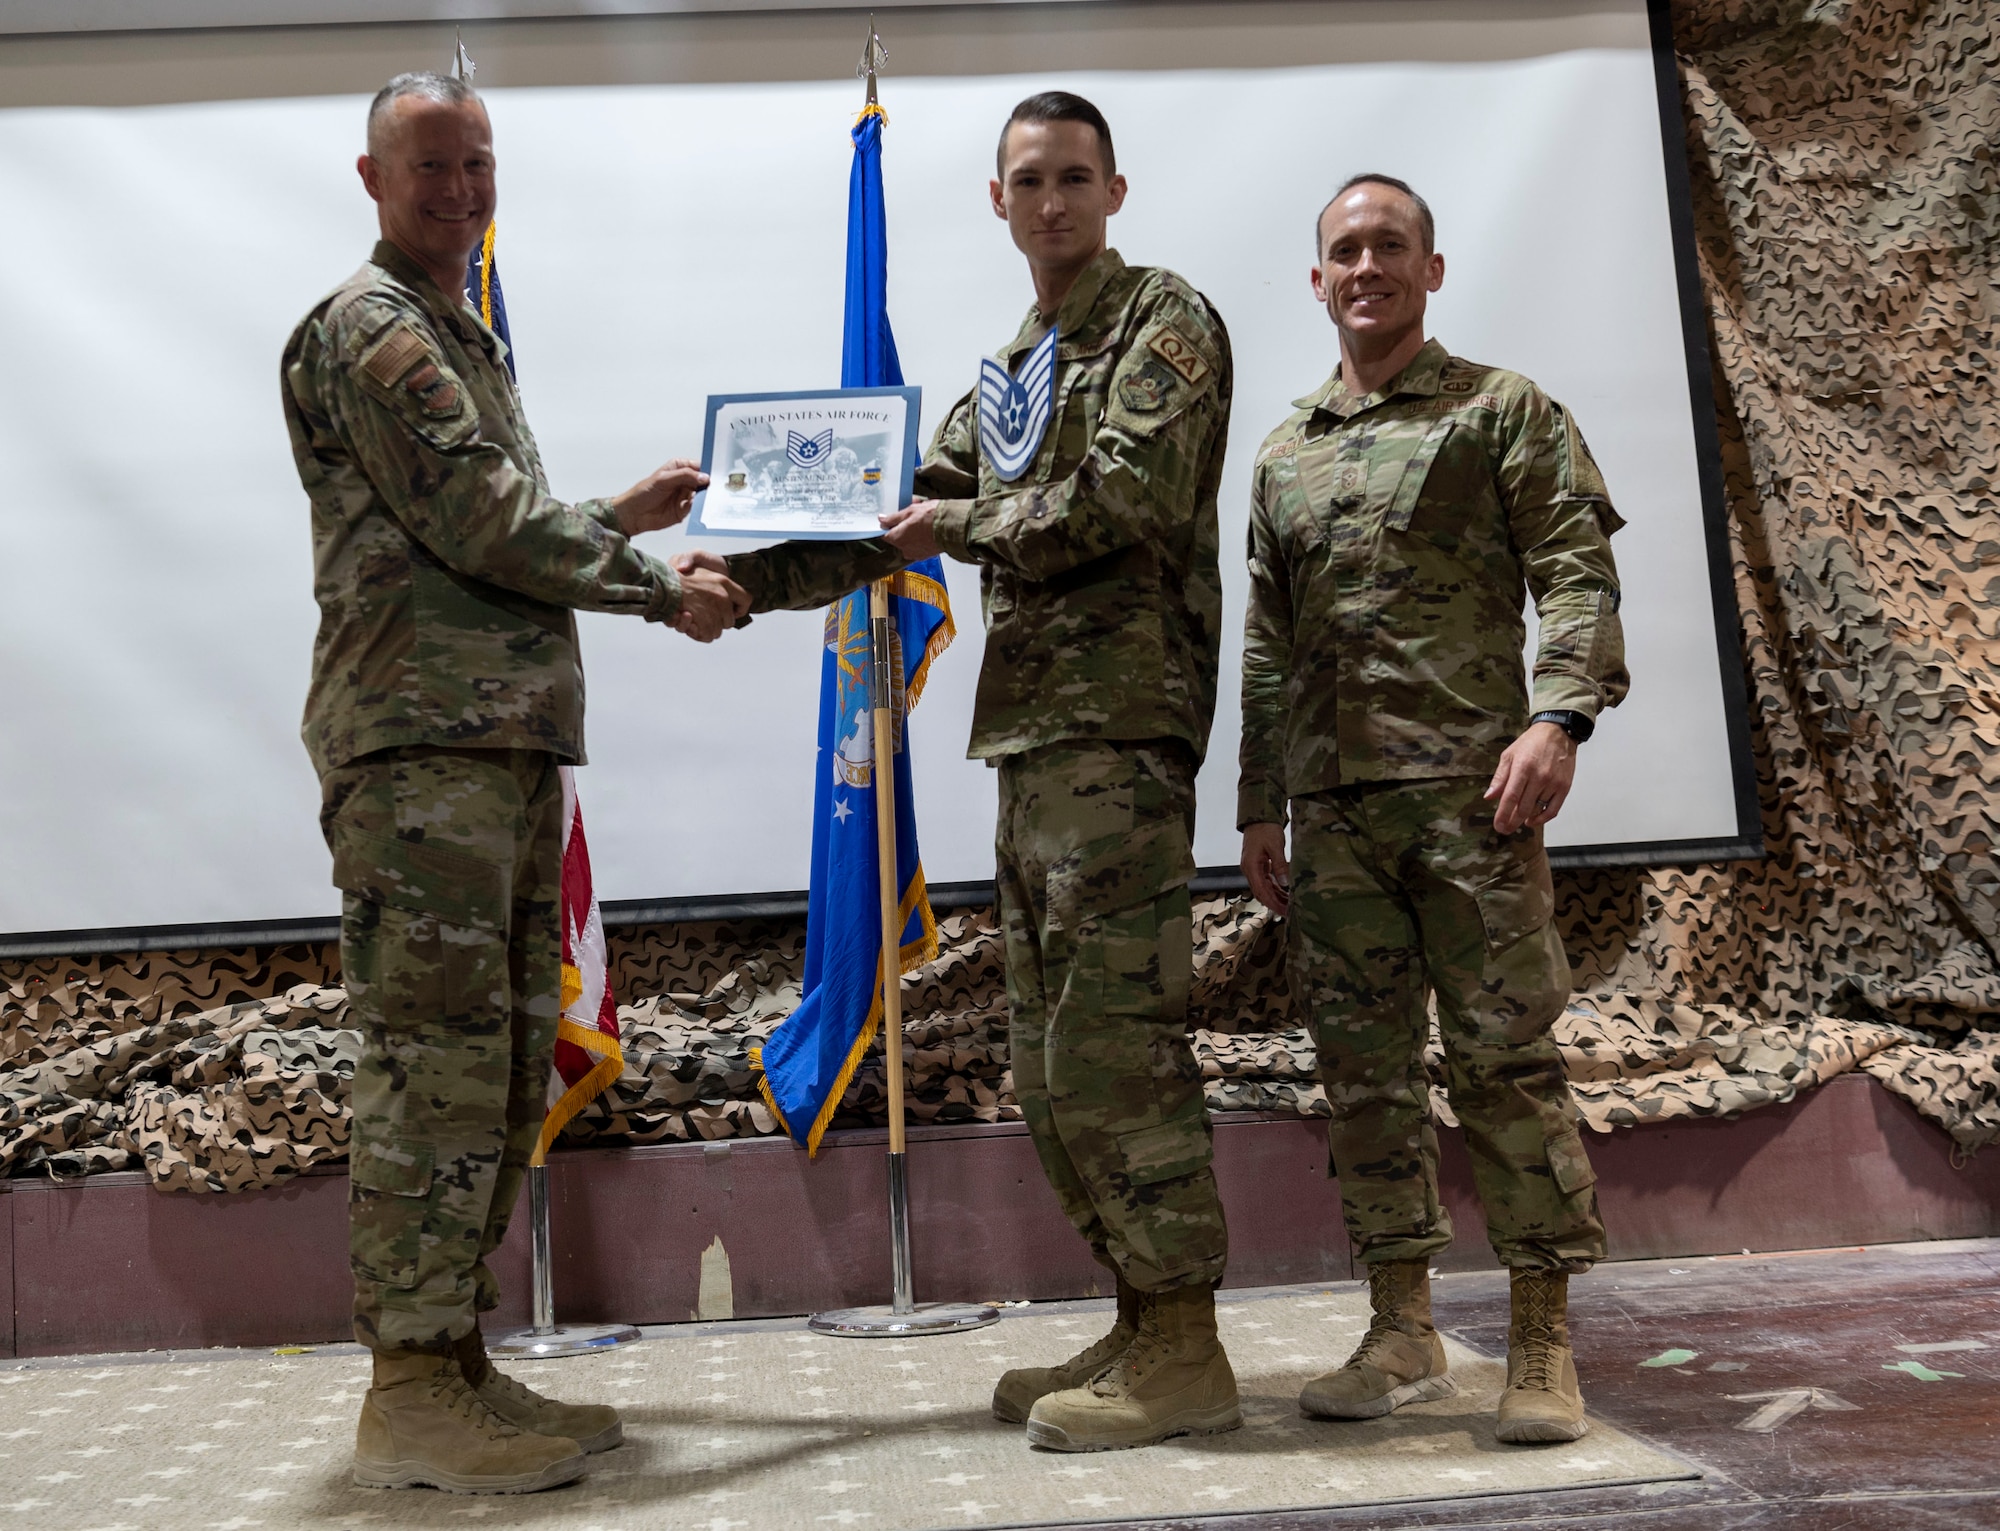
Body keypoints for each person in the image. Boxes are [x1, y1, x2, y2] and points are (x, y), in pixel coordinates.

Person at [683, 91, 1238, 1452]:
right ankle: (1138, 1309)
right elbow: (886, 520)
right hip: (1037, 735)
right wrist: (743, 574)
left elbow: (1124, 498)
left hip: (1121, 729)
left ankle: (1187, 1344)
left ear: (1115, 190)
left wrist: (954, 519)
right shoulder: (1008, 369)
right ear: (996, 201)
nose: (1051, 202)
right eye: (1028, 181)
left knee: (1116, 1041)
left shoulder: (1163, 320)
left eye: (1074, 178)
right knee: (1052, 1055)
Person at [279, 71, 745, 1495]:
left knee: (488, 1062)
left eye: (478, 164)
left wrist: (614, 512)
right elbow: (483, 519)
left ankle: (452, 1358)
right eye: (431, 166)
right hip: (423, 760)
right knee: (430, 1069)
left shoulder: (455, 331)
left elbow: (465, 531)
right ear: (371, 179)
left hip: (491, 749)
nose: (461, 189)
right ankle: (409, 1381)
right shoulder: (376, 331)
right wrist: (658, 589)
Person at [1236, 174, 1628, 1444]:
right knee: (1361, 1076)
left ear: (1430, 269)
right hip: (1334, 814)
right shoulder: (1283, 450)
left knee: (1503, 1062)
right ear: (1316, 281)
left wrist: (1557, 718)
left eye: (1388, 246)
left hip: (1474, 804)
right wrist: (1256, 804)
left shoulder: (1499, 412)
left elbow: (1573, 573)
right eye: (1344, 250)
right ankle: (1399, 1326)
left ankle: (1538, 1342)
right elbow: (1265, 641)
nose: (1366, 267)